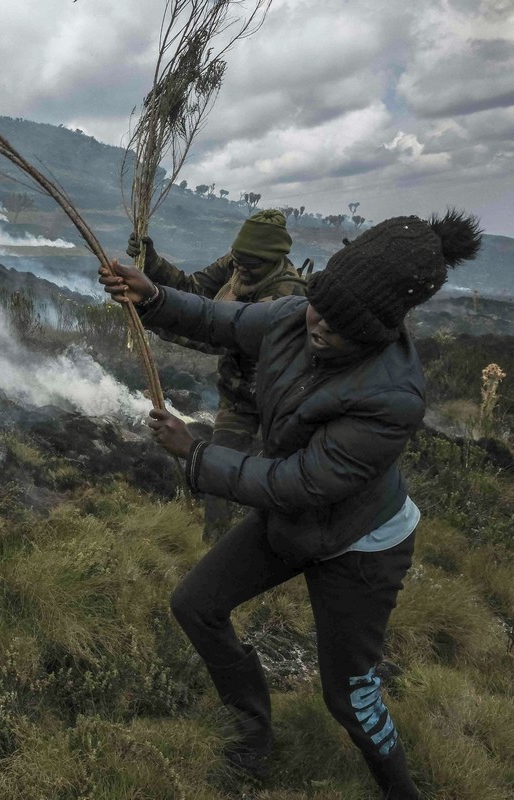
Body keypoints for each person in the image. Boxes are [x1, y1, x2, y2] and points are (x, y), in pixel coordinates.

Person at [100, 210, 483, 799]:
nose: (321, 327)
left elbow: (296, 483)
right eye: (320, 307)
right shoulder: (293, 316)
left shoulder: (392, 397)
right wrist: (152, 298)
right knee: (196, 605)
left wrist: (196, 454)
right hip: (296, 523)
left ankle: (401, 791)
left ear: (383, 327)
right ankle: (252, 730)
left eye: (343, 324)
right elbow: (215, 319)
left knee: (348, 696)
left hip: (359, 545)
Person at [127, 210, 308, 540]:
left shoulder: (287, 295)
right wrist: (151, 262)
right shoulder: (237, 264)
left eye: (249, 263)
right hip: (238, 398)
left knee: (277, 479)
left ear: (273, 260)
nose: (239, 268)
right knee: (216, 466)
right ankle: (215, 542)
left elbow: (218, 338)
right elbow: (193, 288)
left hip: (277, 402)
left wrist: (154, 315)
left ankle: (276, 543)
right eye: (237, 259)